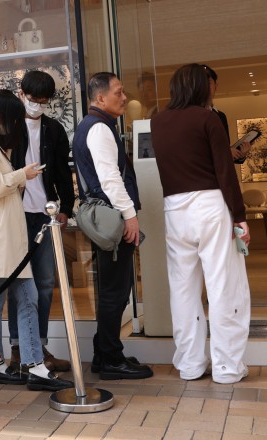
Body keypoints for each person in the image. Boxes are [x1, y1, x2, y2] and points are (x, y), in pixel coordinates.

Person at [0, 89, 73, 392]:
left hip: (3, 240)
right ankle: (20, 365)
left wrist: (20, 175)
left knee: (13, 299)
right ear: (2, 115)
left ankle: (19, 364)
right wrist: (23, 175)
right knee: (7, 300)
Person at [151, 64, 250, 384]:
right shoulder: (207, 118)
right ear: (202, 86)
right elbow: (225, 171)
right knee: (224, 286)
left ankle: (190, 364)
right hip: (210, 206)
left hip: (174, 209)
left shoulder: (158, 121)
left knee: (183, 288)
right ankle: (227, 367)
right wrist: (240, 216)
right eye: (212, 85)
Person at [72, 73, 153, 380]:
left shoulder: (91, 126)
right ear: (100, 98)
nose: (124, 97)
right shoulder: (99, 129)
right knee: (114, 291)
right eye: (118, 92)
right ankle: (109, 358)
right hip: (112, 217)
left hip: (106, 215)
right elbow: (109, 178)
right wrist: (130, 215)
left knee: (114, 289)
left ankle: (105, 353)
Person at [8, 71, 73, 373]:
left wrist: (66, 207)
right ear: (21, 93)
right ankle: (18, 351)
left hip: (44, 214)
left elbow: (62, 170)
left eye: (43, 102)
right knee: (17, 284)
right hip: (14, 215)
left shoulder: (54, 129)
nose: (37, 106)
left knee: (45, 283)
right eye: (33, 100)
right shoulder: (6, 126)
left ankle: (40, 347)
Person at [203, 65, 250, 162]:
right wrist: (226, 152)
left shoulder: (220, 116)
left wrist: (241, 154)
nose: (204, 88)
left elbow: (225, 149)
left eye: (208, 83)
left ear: (216, 85)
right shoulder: (189, 116)